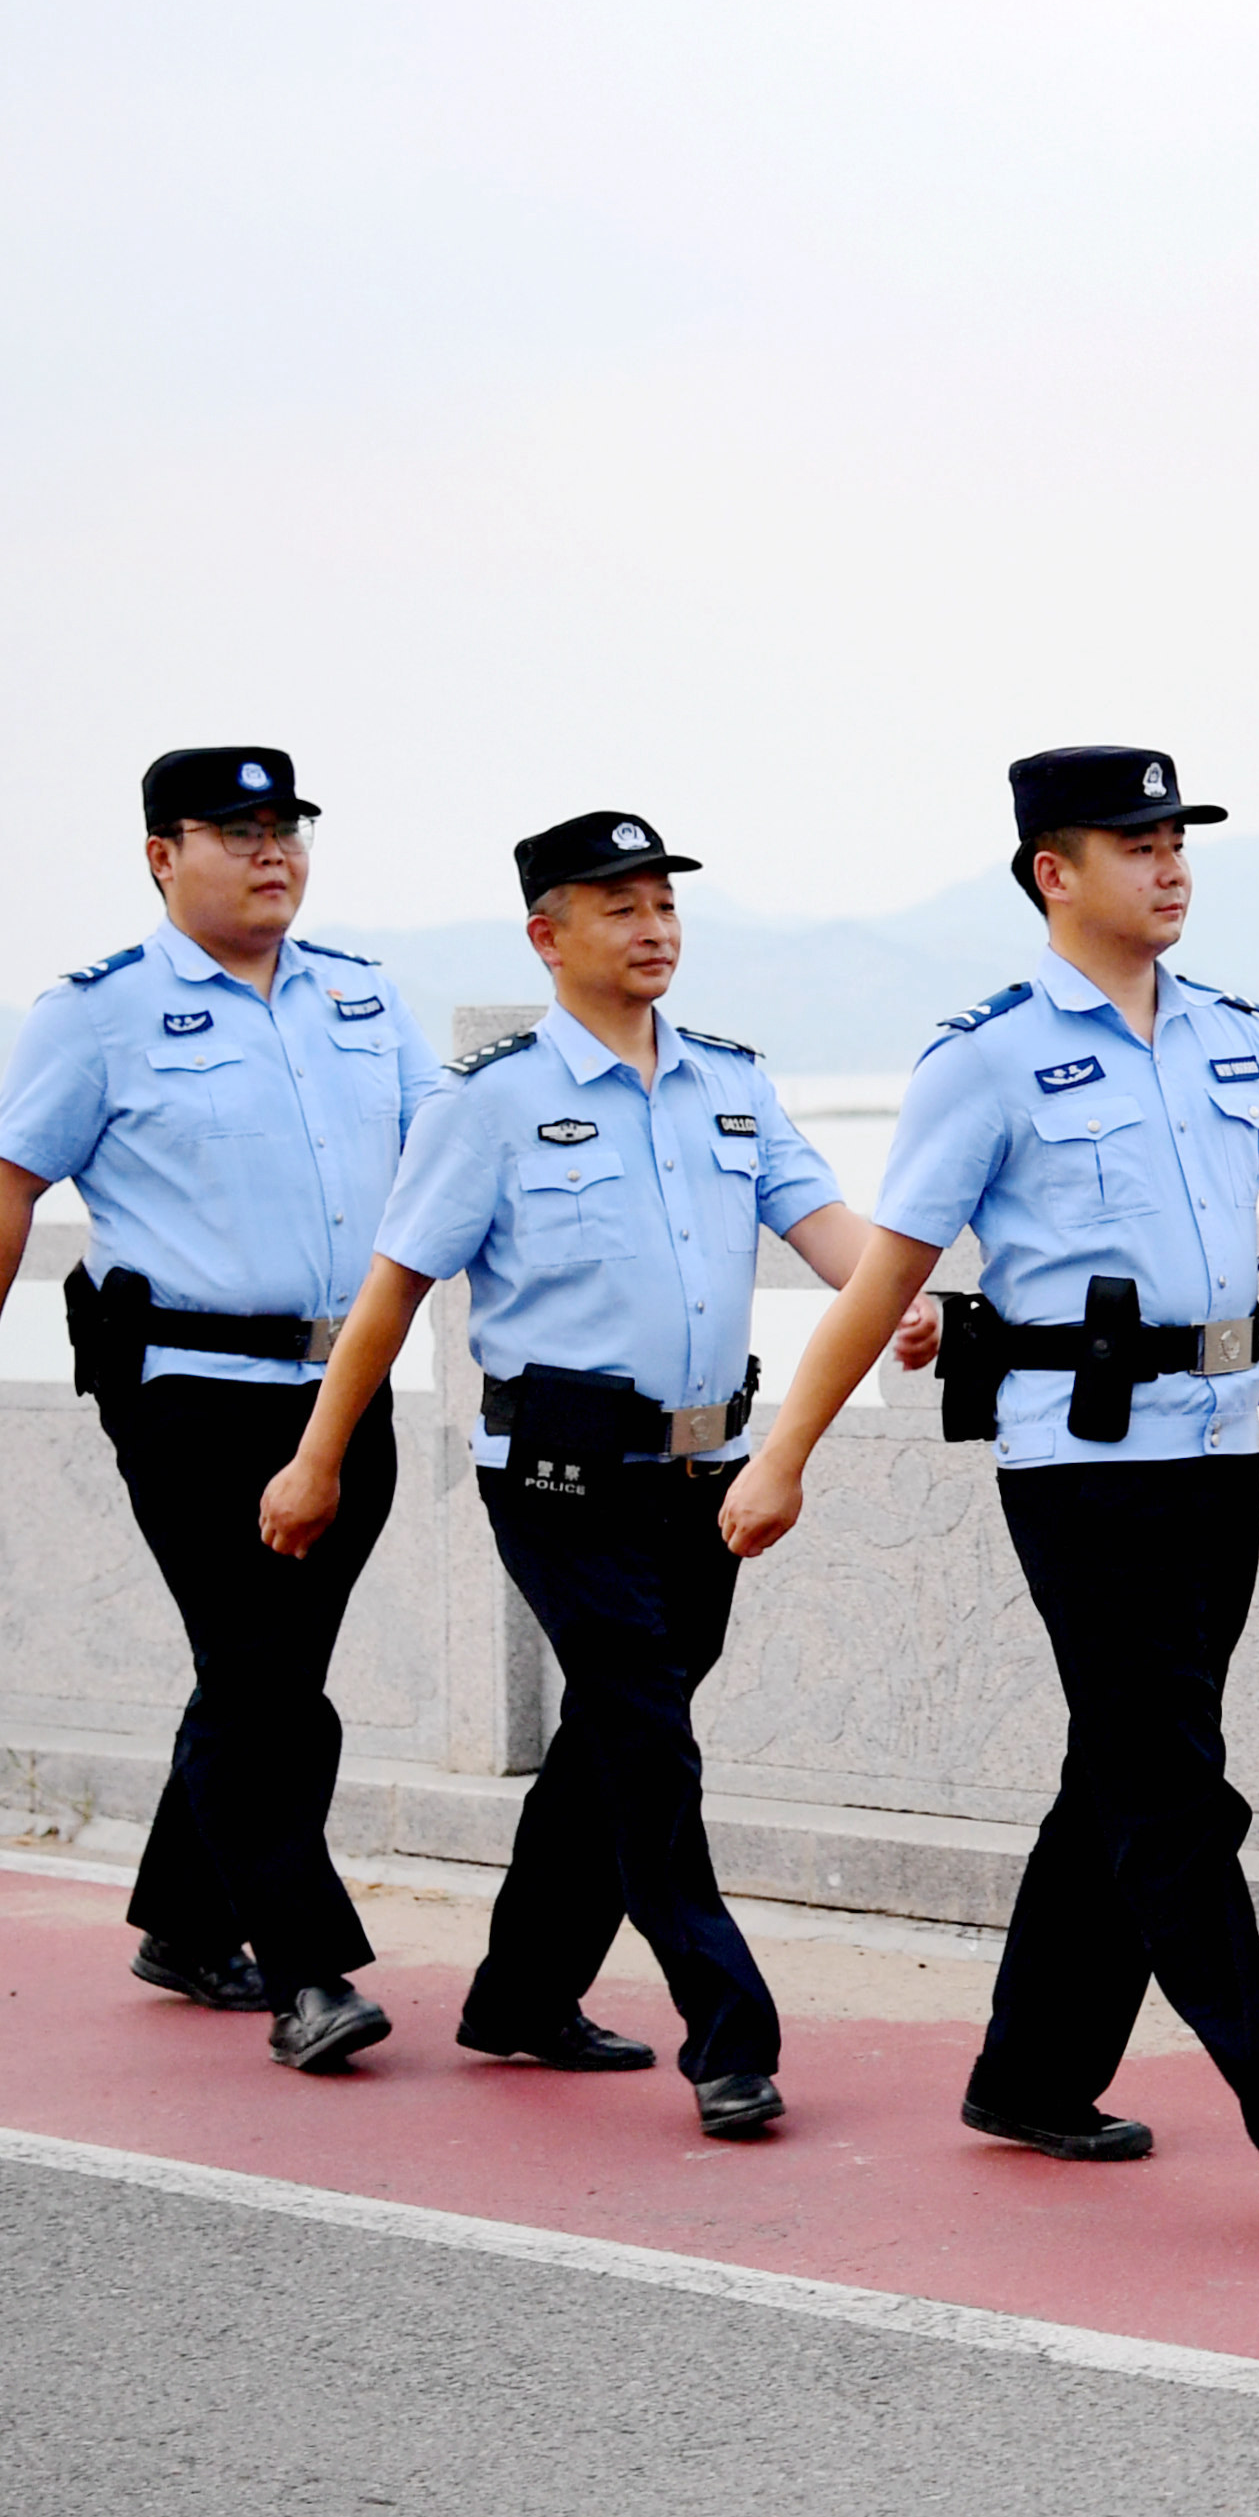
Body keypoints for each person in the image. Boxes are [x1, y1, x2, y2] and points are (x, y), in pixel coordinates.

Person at [721, 745, 1259, 2221]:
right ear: (1052, 874)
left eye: (1179, 837)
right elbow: (887, 1273)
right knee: (1173, 1792)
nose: (1172, 863)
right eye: (1136, 844)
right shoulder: (986, 1056)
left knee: (1125, 1778)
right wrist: (787, 1453)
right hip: (1082, 1466)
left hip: (1220, 1450)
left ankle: (1032, 2072)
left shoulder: (1231, 1037)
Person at [262, 810, 935, 2139]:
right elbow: (392, 1289)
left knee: (609, 1747)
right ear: (546, 934)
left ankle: (518, 1995)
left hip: (704, 1476)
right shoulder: (492, 1101)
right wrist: (316, 1457)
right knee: (648, 1740)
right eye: (618, 907)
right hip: (559, 1481)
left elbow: (829, 1226)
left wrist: (898, 1295)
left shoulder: (731, 1083)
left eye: (664, 906)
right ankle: (730, 2036)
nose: (653, 929)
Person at [0, 746, 438, 2076]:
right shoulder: (97, 1014)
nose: (274, 854)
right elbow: (2, 1191)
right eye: (238, 832)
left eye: (288, 830)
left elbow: (453, 1166)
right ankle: (310, 1974)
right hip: (188, 1394)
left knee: (264, 1677)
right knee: (267, 1681)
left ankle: (184, 1921)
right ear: (164, 855)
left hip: (342, 1392)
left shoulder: (367, 1000)